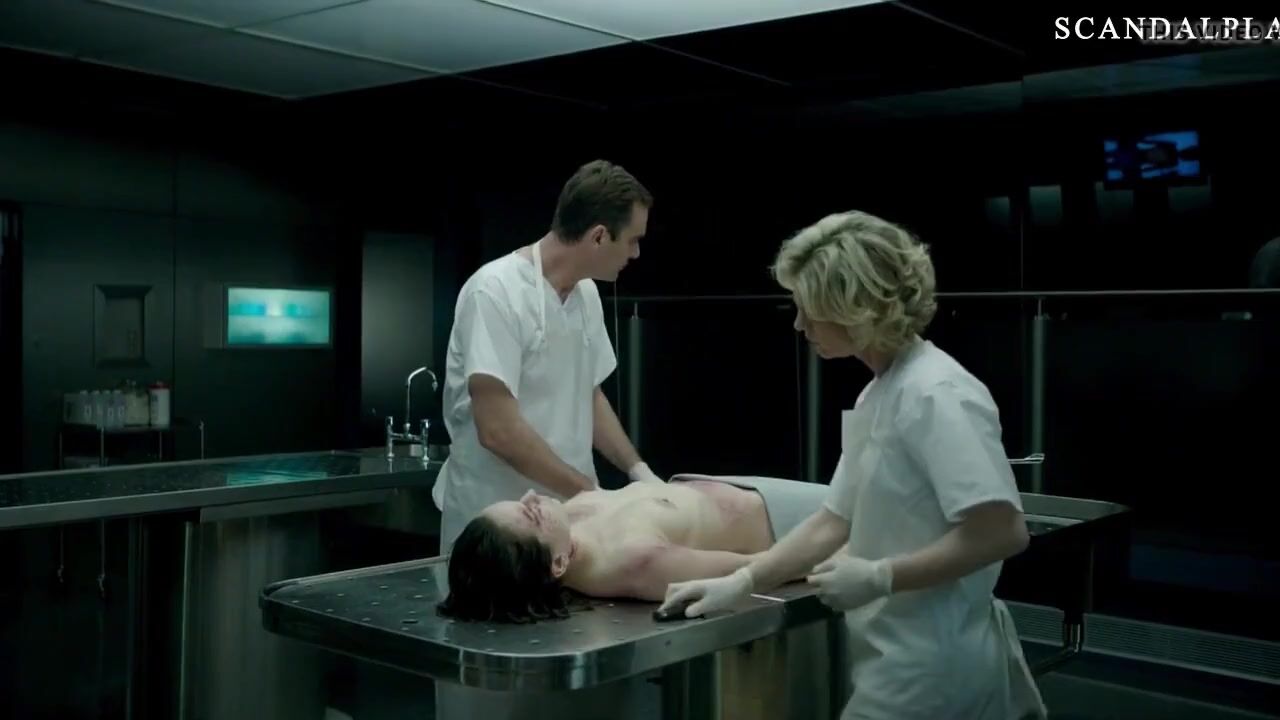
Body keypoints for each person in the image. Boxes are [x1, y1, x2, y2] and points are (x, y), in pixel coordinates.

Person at [659, 210, 1048, 720]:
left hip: (934, 666)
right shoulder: (879, 393)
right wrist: (742, 581)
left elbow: (1001, 532)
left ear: (856, 307)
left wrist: (882, 576)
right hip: (895, 657)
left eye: (809, 309)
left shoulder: (937, 393)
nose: (799, 324)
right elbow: (832, 521)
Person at [431, 159, 664, 555]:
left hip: (566, 517)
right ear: (598, 236)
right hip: (494, 527)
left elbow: (589, 395)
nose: (636, 253)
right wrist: (593, 495)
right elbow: (497, 430)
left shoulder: (586, 294)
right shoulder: (495, 291)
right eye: (632, 240)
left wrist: (638, 471)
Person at [436, 474, 827, 622]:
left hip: (738, 483)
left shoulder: (568, 524)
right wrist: (839, 551)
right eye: (531, 514)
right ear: (557, 564)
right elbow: (755, 567)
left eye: (521, 502)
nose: (531, 495)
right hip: (793, 520)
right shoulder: (635, 562)